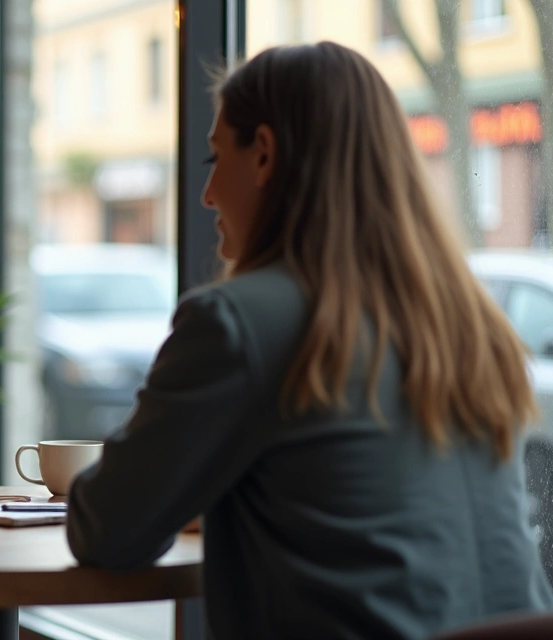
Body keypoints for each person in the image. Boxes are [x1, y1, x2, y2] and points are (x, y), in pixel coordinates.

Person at [66, 41, 553, 638]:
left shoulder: (235, 323)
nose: (208, 194)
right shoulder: (472, 325)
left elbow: (105, 531)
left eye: (215, 159)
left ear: (264, 154)